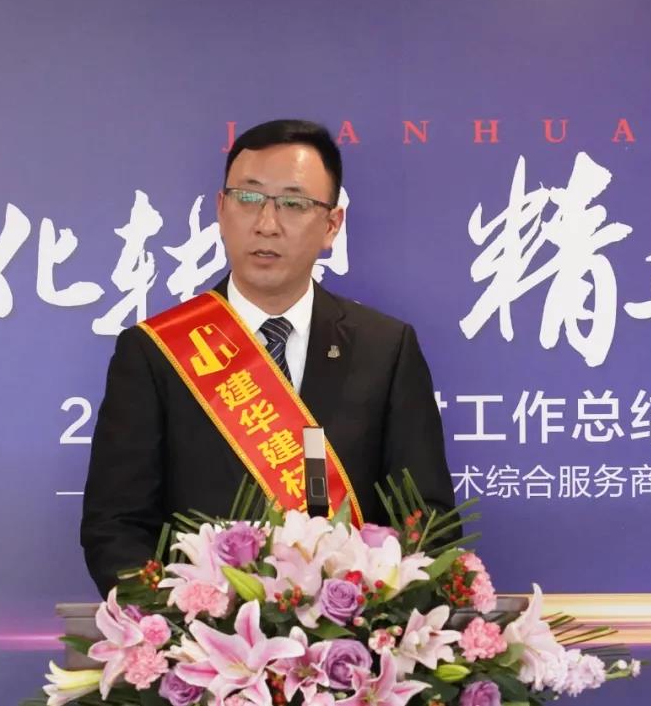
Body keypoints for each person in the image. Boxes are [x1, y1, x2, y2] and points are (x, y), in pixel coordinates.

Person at [81, 119, 456, 594]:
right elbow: (115, 528)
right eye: (248, 198)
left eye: (294, 204)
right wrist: (182, 623)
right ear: (221, 209)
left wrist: (369, 620)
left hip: (352, 634)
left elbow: (426, 524)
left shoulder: (385, 349)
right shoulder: (155, 352)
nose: (266, 223)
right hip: (199, 634)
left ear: (331, 225)